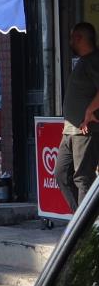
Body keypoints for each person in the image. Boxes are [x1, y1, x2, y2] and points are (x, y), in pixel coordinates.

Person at [56, 22, 99, 211]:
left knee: (83, 178)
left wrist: (90, 110)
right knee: (61, 174)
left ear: (79, 38)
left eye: (72, 37)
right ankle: (79, 222)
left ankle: (86, 232)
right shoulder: (83, 61)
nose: (70, 42)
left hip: (85, 130)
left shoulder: (93, 60)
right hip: (70, 130)